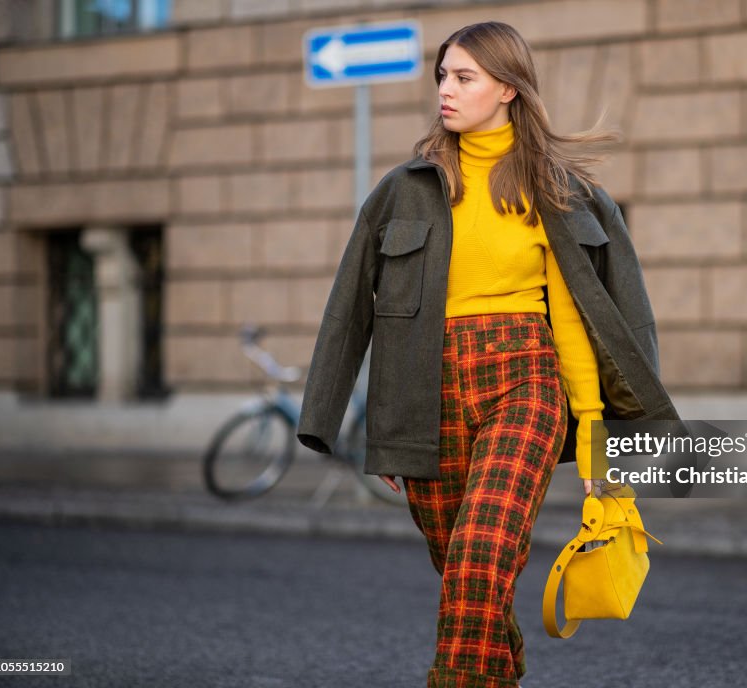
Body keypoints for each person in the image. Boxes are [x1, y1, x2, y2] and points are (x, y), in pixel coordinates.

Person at [297, 21, 680, 688]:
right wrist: (382, 431)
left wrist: (596, 437)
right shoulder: (402, 190)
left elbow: (575, 319)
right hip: (426, 394)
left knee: (479, 555)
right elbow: (349, 311)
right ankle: (497, 671)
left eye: (463, 77)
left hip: (526, 380)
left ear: (506, 88)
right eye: (442, 75)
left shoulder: (558, 190)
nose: (445, 89)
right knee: (468, 573)